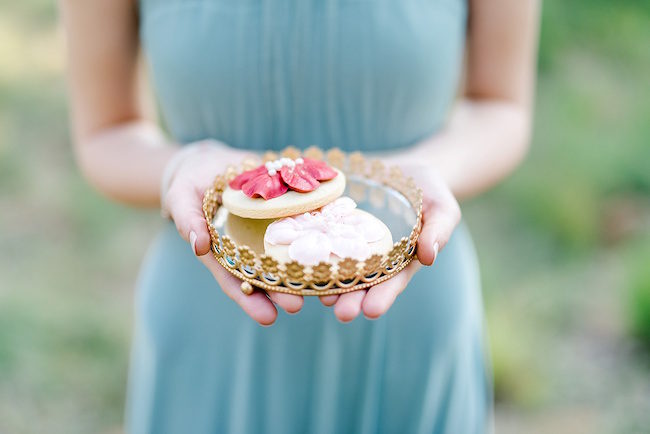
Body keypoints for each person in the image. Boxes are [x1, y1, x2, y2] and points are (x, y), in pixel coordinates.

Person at [60, 0, 539, 432]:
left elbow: (501, 104)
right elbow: (106, 131)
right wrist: (178, 167)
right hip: (212, 312)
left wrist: (428, 174)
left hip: (407, 301)